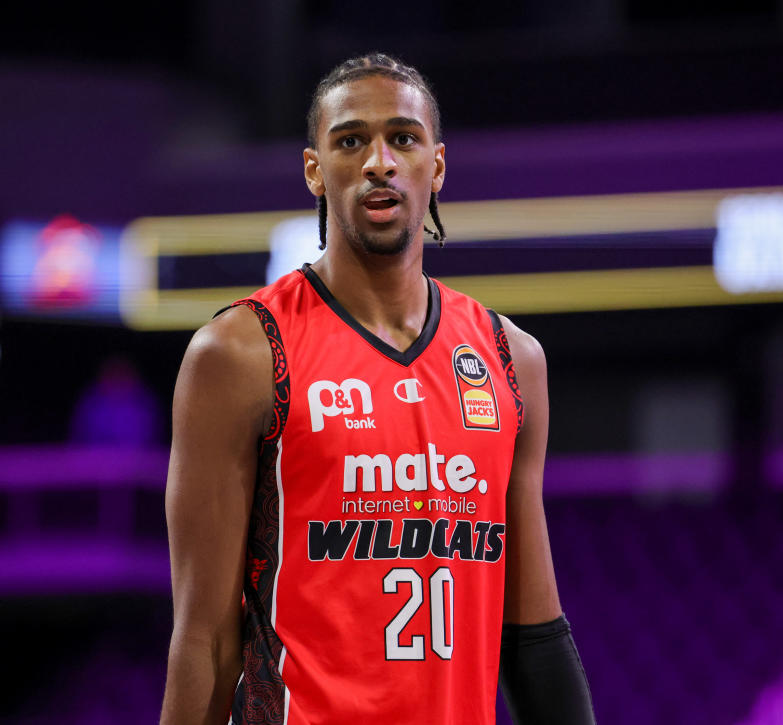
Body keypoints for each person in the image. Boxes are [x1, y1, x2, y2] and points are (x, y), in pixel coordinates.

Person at [160, 52, 595, 725]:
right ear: (314, 170)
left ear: (437, 165)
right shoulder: (240, 353)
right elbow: (204, 641)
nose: (379, 162)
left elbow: (534, 635)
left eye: (403, 138)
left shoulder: (512, 360)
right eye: (351, 140)